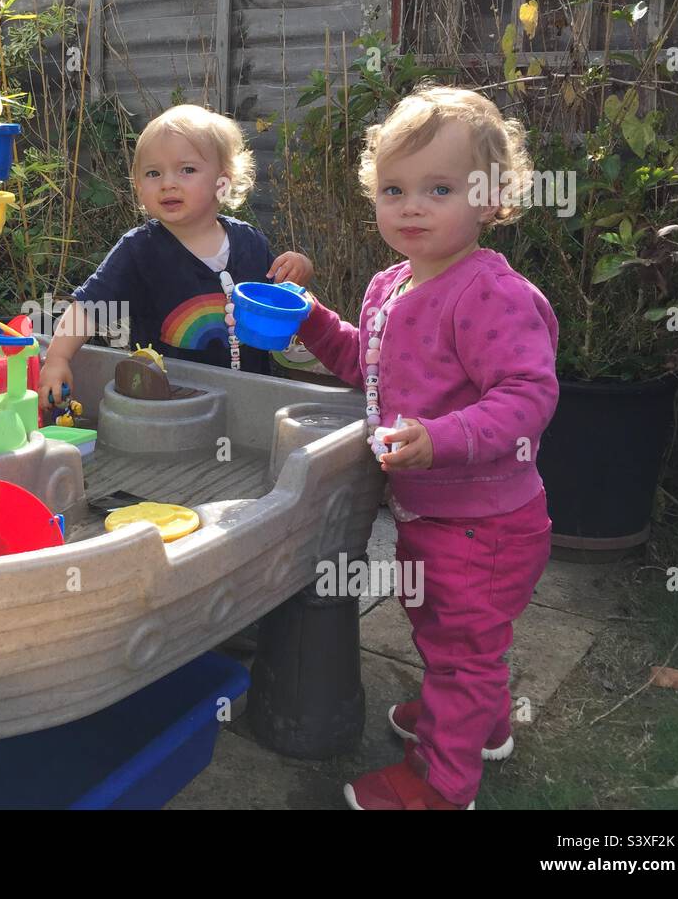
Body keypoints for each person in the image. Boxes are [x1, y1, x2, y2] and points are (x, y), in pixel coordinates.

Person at [295, 84, 560, 810]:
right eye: (393, 189)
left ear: (493, 199)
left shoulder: (492, 295)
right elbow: (366, 365)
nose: (410, 206)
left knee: (459, 646)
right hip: (434, 514)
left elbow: (527, 397)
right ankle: (481, 722)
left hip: (485, 523)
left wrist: (439, 439)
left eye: (438, 189)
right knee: (450, 634)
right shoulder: (389, 286)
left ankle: (441, 785)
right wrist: (313, 321)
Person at [38, 104, 312, 403]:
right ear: (140, 189)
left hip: (247, 399)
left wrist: (298, 269)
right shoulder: (140, 250)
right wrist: (58, 359)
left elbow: (277, 301)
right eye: (153, 173)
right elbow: (87, 307)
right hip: (165, 405)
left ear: (222, 183)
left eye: (187, 170)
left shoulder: (250, 242)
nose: (168, 183)